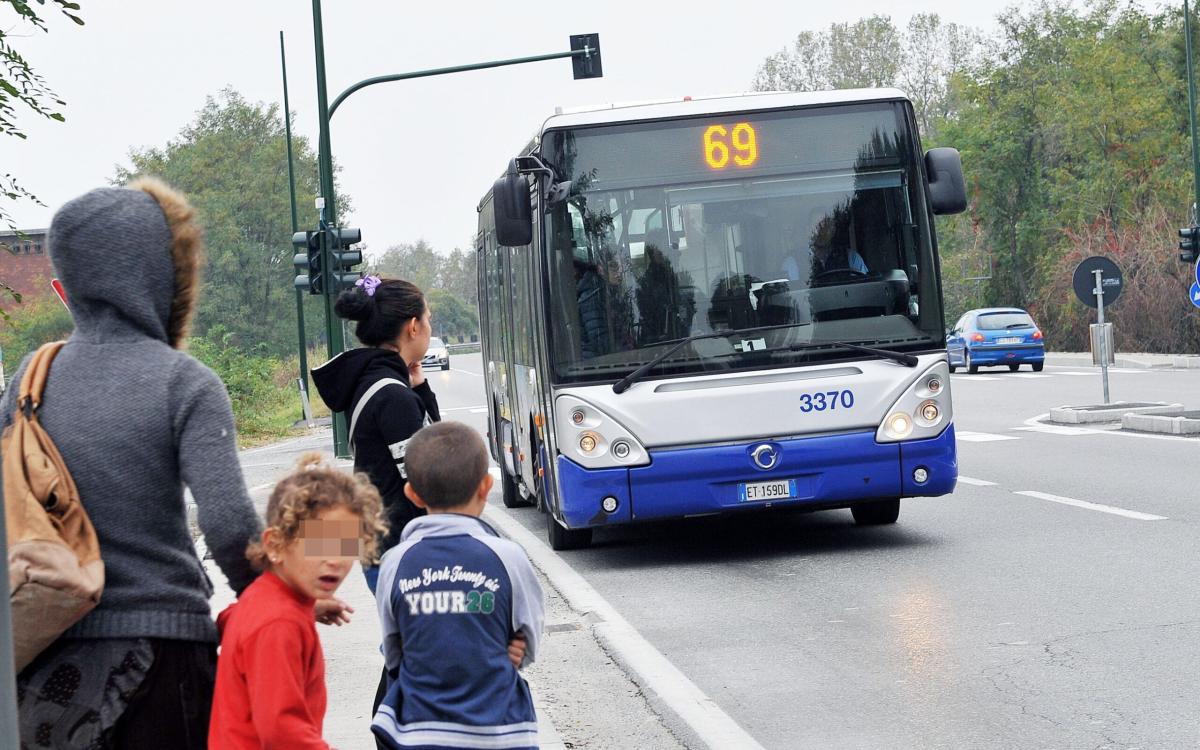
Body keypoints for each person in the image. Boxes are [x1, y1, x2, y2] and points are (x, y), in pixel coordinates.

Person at [2, 180, 263, 748]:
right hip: (163, 657)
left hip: (43, 657)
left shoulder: (29, 380)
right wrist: (270, 595)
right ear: (161, 271)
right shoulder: (183, 381)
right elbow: (228, 525)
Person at [372, 422, 545, 750]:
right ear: (486, 486)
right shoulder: (508, 557)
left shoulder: (395, 562)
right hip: (500, 732)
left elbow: (393, 651)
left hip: (420, 733)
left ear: (412, 493)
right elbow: (529, 637)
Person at [209, 452, 386, 749]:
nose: (335, 561)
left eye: (347, 546)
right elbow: (282, 731)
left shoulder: (264, 600)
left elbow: (233, 618)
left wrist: (305, 607)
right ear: (275, 545)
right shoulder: (279, 623)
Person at [311, 275, 440, 594]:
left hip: (385, 547)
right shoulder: (391, 396)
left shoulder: (374, 382)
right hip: (404, 552)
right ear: (413, 326)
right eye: (428, 319)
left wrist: (420, 389)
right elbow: (429, 477)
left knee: (406, 642)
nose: (429, 327)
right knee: (420, 643)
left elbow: (434, 451)